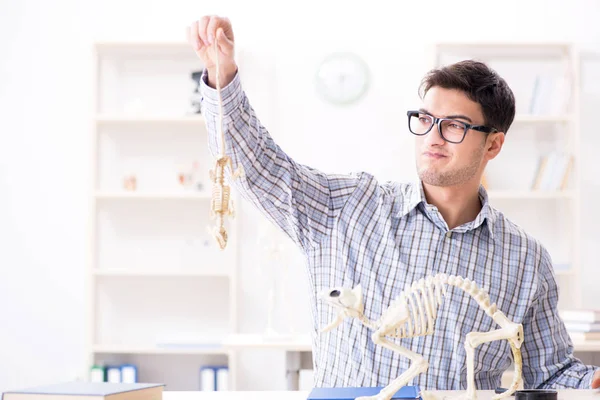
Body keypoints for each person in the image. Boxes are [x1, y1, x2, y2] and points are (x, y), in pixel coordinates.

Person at [186, 15, 600, 391]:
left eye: (453, 125)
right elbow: (259, 168)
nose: (433, 136)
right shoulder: (348, 207)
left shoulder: (526, 259)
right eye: (425, 119)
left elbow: (552, 371)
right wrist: (222, 80)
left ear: (493, 144)